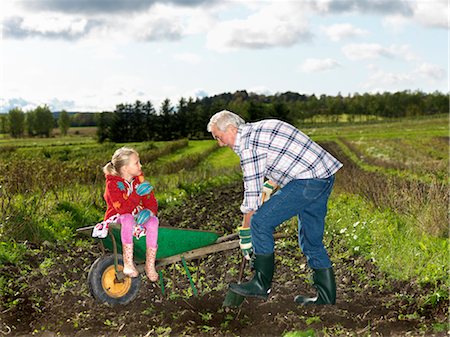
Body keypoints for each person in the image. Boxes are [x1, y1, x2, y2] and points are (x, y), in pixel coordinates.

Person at [207, 110, 343, 305]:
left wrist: (246, 233)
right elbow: (285, 155)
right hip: (323, 176)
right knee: (311, 240)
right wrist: (271, 184)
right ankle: (325, 298)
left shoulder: (247, 147)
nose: (220, 143)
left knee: (260, 222)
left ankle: (260, 285)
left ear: (231, 129)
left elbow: (252, 199)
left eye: (219, 138)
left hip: (306, 181)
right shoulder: (260, 128)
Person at [96, 147, 159, 282]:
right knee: (128, 218)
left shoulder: (139, 180)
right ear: (125, 168)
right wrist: (137, 194)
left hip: (136, 217)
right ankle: (128, 263)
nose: (140, 165)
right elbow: (123, 209)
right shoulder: (112, 184)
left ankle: (150, 265)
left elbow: (151, 202)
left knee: (153, 221)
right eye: (136, 162)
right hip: (117, 218)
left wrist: (149, 211)